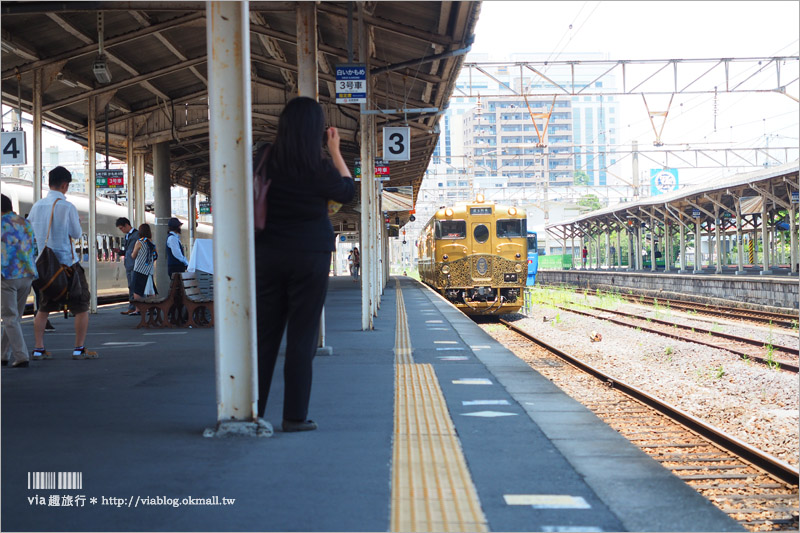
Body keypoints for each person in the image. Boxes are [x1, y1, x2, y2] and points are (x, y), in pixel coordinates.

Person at [255, 96, 355, 432]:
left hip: (267, 255)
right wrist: (336, 150)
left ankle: (252, 412)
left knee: (265, 336)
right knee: (302, 336)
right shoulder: (319, 166)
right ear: (318, 131)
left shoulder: (266, 158)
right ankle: (294, 417)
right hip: (311, 257)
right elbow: (347, 191)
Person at [27, 166, 96, 360]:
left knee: (43, 308)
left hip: (45, 268)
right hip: (67, 267)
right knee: (81, 306)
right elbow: (75, 233)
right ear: (65, 185)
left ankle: (39, 349)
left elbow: (31, 234)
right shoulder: (67, 207)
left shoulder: (36, 207)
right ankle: (78, 348)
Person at [1, 194, 37, 368]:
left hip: (6, 275)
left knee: (9, 317)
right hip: (27, 274)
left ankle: (21, 355)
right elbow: (34, 247)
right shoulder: (25, 223)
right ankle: (2, 354)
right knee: (14, 318)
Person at [116, 217, 140, 315]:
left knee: (134, 286)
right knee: (131, 286)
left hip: (134, 264)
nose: (121, 230)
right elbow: (128, 250)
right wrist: (121, 252)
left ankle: (135, 307)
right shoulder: (128, 235)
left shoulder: (136, 235)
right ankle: (132, 307)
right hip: (129, 264)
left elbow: (135, 250)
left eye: (122, 228)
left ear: (127, 225)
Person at [131, 223, 157, 300]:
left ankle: (138, 309)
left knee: (137, 290)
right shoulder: (152, 242)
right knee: (151, 289)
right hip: (149, 270)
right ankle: (152, 308)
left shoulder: (140, 242)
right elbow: (156, 255)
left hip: (139, 269)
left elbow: (133, 255)